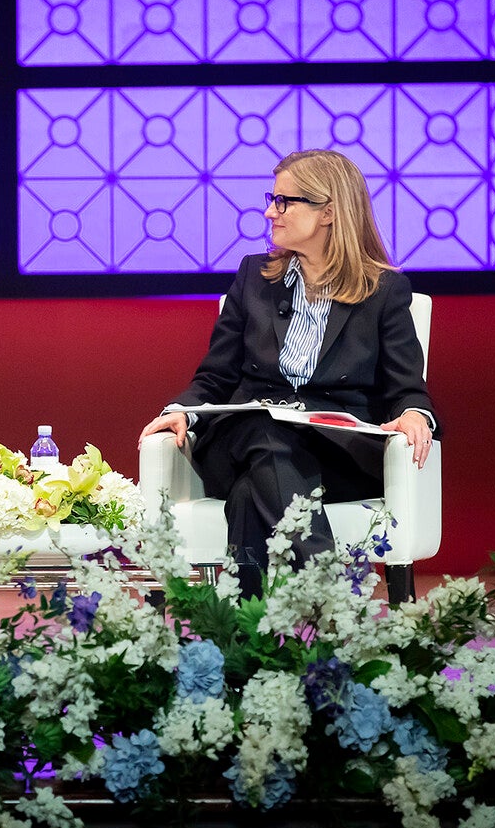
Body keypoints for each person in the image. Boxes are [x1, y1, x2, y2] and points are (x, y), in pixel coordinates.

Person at [137, 149, 437, 598]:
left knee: (249, 494)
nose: (268, 212)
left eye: (284, 202)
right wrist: (182, 409)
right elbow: (215, 376)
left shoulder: (384, 291)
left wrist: (415, 414)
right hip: (242, 439)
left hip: (334, 456)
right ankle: (329, 594)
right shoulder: (254, 278)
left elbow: (406, 387)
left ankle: (245, 638)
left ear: (330, 211)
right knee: (264, 426)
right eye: (271, 199)